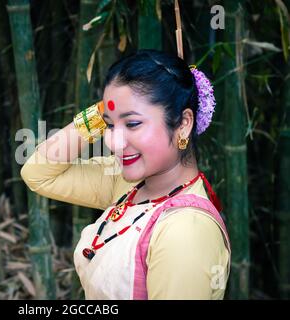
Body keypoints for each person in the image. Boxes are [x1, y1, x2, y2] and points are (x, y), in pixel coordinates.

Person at [20, 49, 231, 300]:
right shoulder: (128, 185)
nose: (113, 142)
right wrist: (103, 111)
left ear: (183, 124)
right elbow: (39, 173)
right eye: (109, 125)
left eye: (132, 124)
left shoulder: (184, 230)